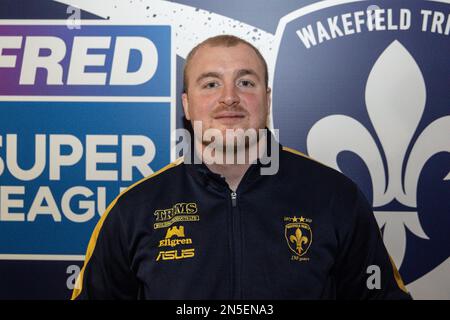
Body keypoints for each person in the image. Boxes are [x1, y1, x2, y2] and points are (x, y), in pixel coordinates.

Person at [71, 35, 411, 300]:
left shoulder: (335, 197)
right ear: (187, 106)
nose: (229, 97)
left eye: (246, 82)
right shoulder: (134, 209)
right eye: (211, 84)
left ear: (267, 98)